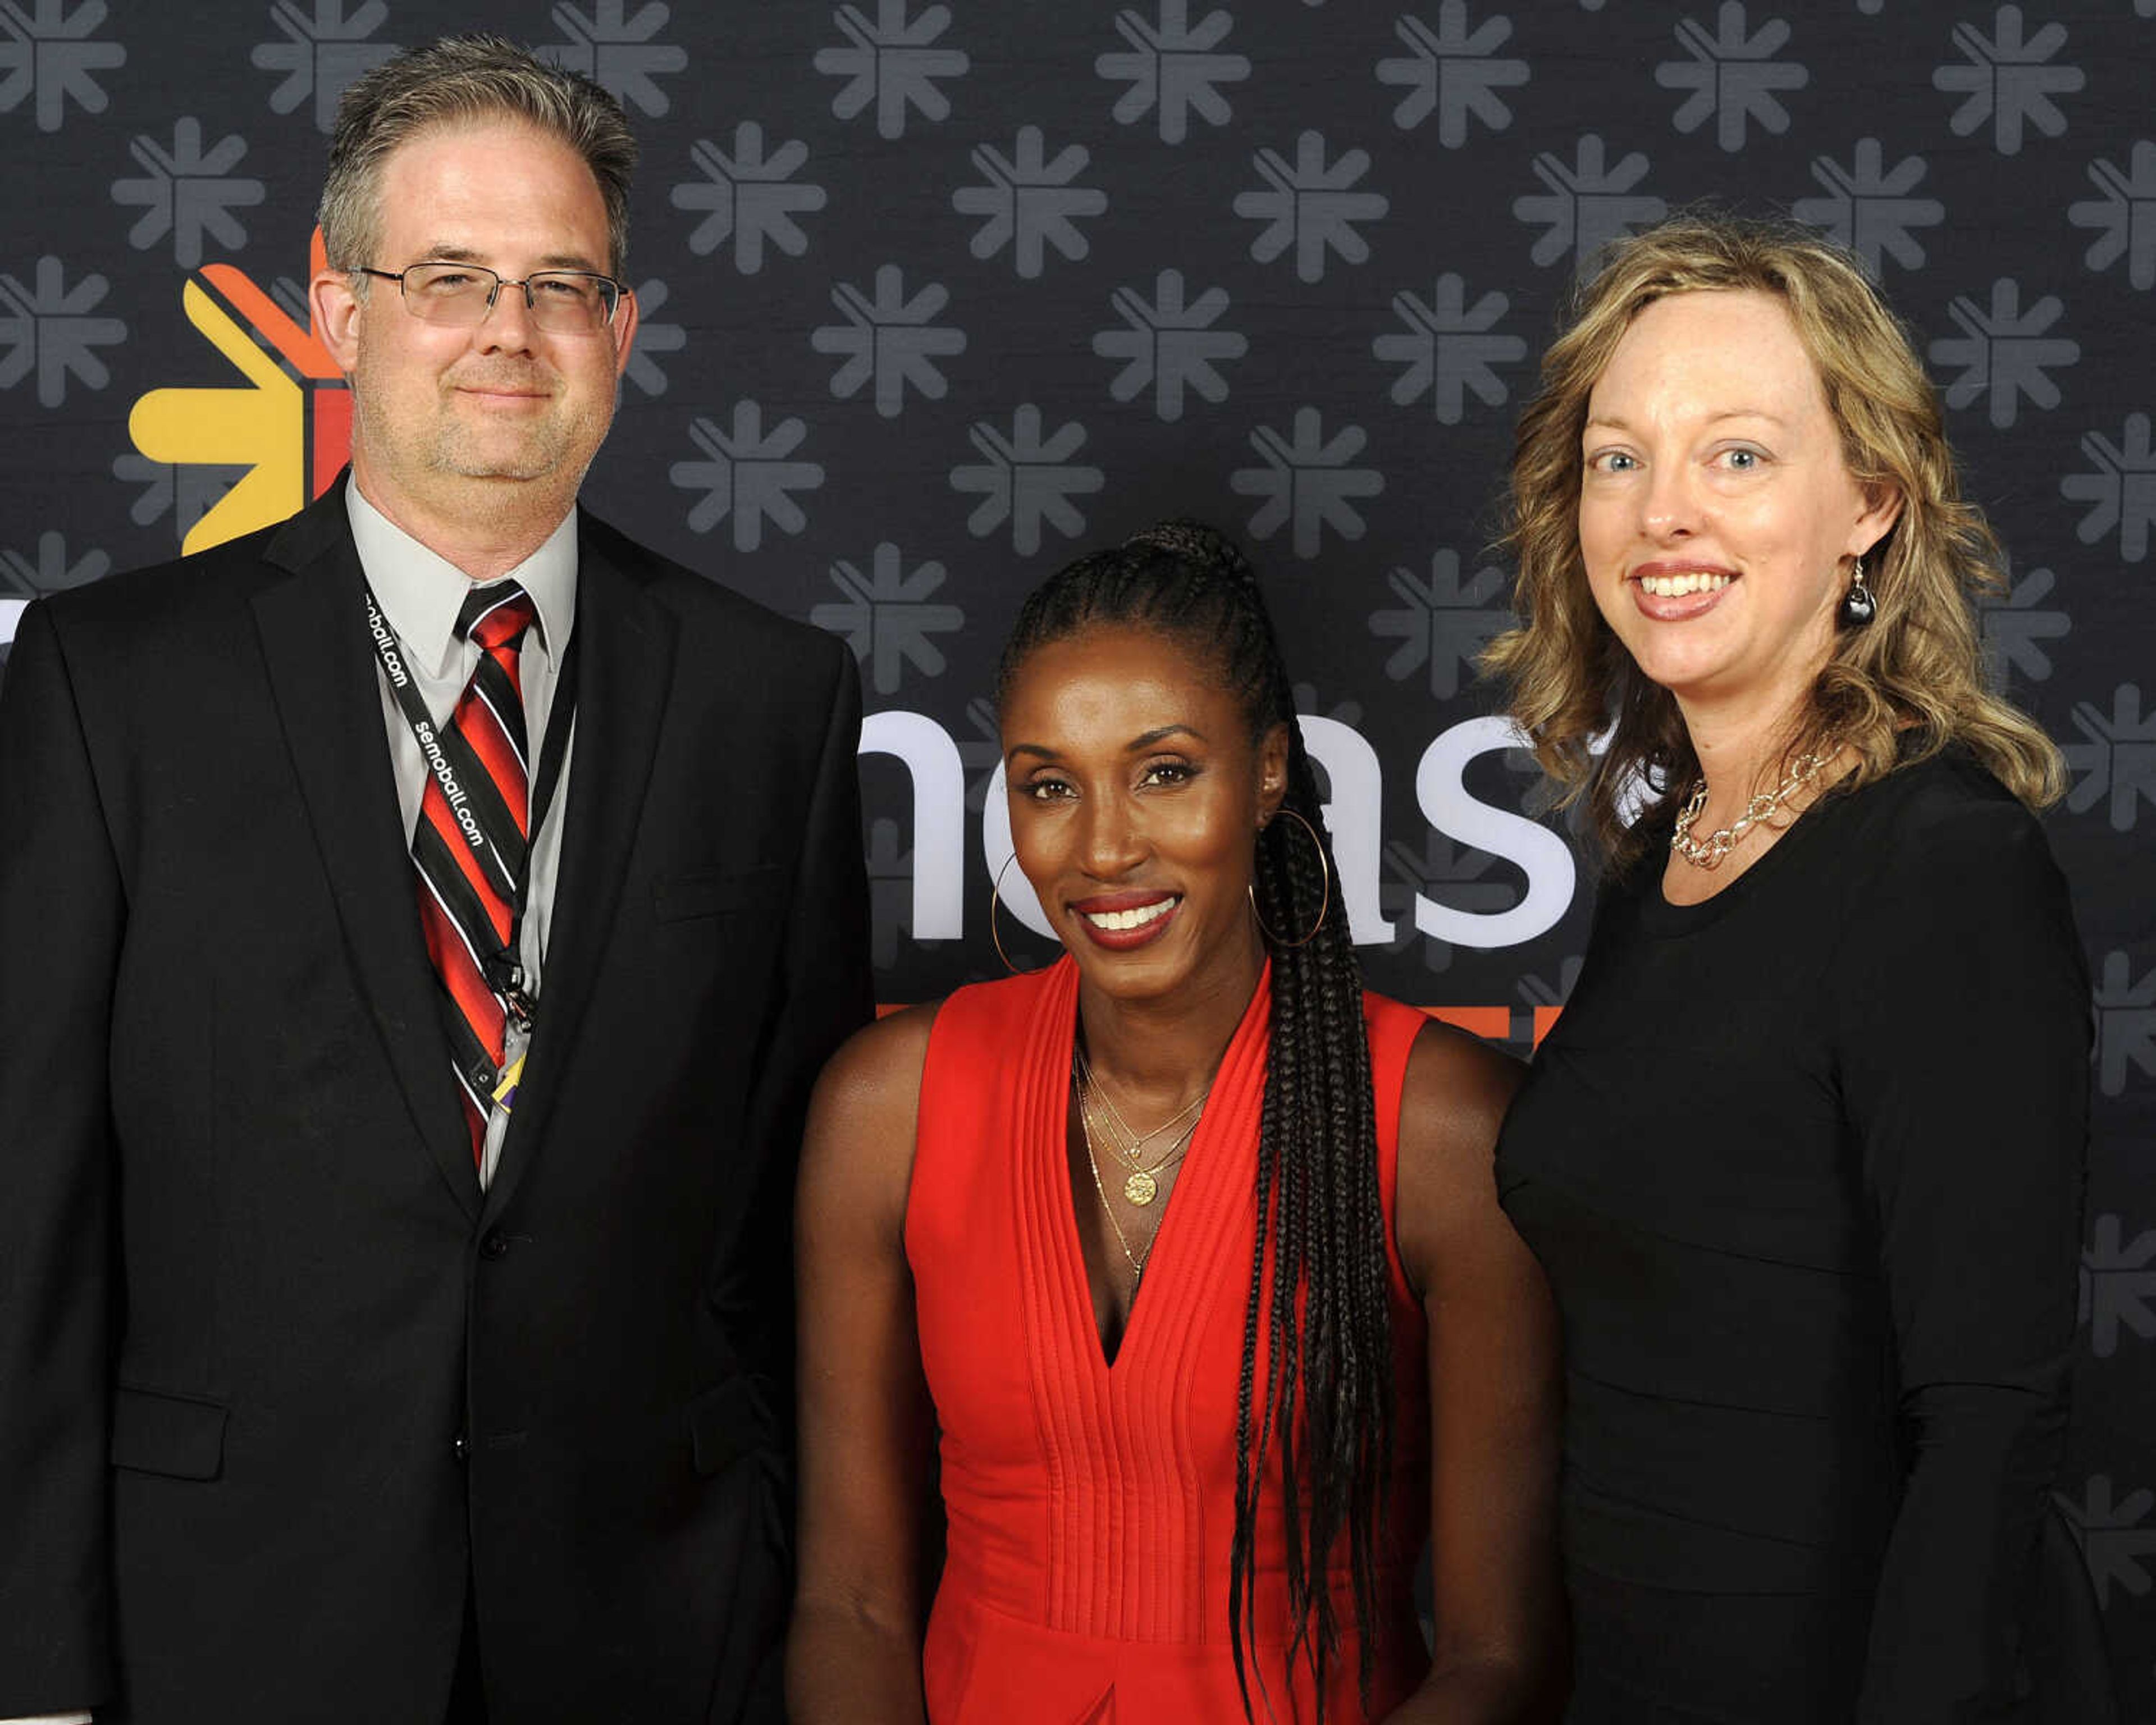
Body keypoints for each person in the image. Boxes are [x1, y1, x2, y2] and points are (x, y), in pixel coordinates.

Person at [0, 35, 871, 1725]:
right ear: (337, 311)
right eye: (450, 277)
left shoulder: (774, 699)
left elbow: (797, 1230)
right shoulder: (112, 687)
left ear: (622, 333)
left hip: (658, 1629)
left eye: (560, 284)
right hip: (228, 1631)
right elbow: (30, 1226)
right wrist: (35, 1681)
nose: (507, 330)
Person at [1483, 214, 2108, 1721]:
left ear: (1871, 506)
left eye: (1739, 456)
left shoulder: (1941, 868)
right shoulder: (1668, 855)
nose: (1660, 515)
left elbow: (1987, 1422)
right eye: (1618, 459)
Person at [788, 522, 1564, 1724]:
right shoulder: (887, 1108)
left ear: (1264, 771)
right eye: (1051, 786)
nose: (1104, 848)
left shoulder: (1445, 1130)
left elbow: (1496, 1657)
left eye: (1164, 771)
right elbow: (853, 1607)